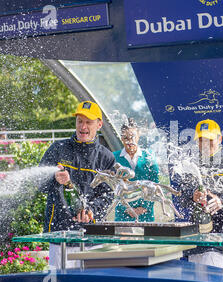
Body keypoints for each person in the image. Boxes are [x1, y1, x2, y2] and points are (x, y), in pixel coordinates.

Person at [39, 100, 116, 268]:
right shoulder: (58, 148)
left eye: (88, 122)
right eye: (80, 121)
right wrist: (54, 178)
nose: (83, 127)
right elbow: (40, 185)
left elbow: (109, 195)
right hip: (61, 235)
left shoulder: (106, 157)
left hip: (94, 238)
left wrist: (91, 211)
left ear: (99, 124)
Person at [172, 119, 223, 268]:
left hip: (219, 241)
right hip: (196, 240)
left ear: (219, 139)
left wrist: (222, 200)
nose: (205, 144)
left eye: (209, 140)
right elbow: (182, 198)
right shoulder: (191, 165)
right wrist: (192, 195)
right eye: (201, 140)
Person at [112, 118, 159, 222]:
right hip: (122, 215)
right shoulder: (114, 157)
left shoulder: (149, 157)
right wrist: (126, 208)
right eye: (126, 138)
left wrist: (144, 207)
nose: (130, 141)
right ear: (121, 138)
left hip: (145, 215)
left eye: (132, 137)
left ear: (138, 136)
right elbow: (113, 187)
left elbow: (155, 184)